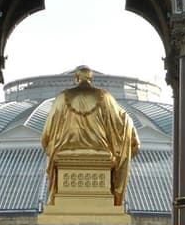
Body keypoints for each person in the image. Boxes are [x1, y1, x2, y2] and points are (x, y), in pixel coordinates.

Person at [41, 65, 140, 207]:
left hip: (65, 155)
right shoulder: (105, 97)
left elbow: (48, 130)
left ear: (76, 78)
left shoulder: (62, 97)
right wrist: (130, 127)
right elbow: (120, 120)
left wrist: (49, 146)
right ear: (90, 78)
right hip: (101, 153)